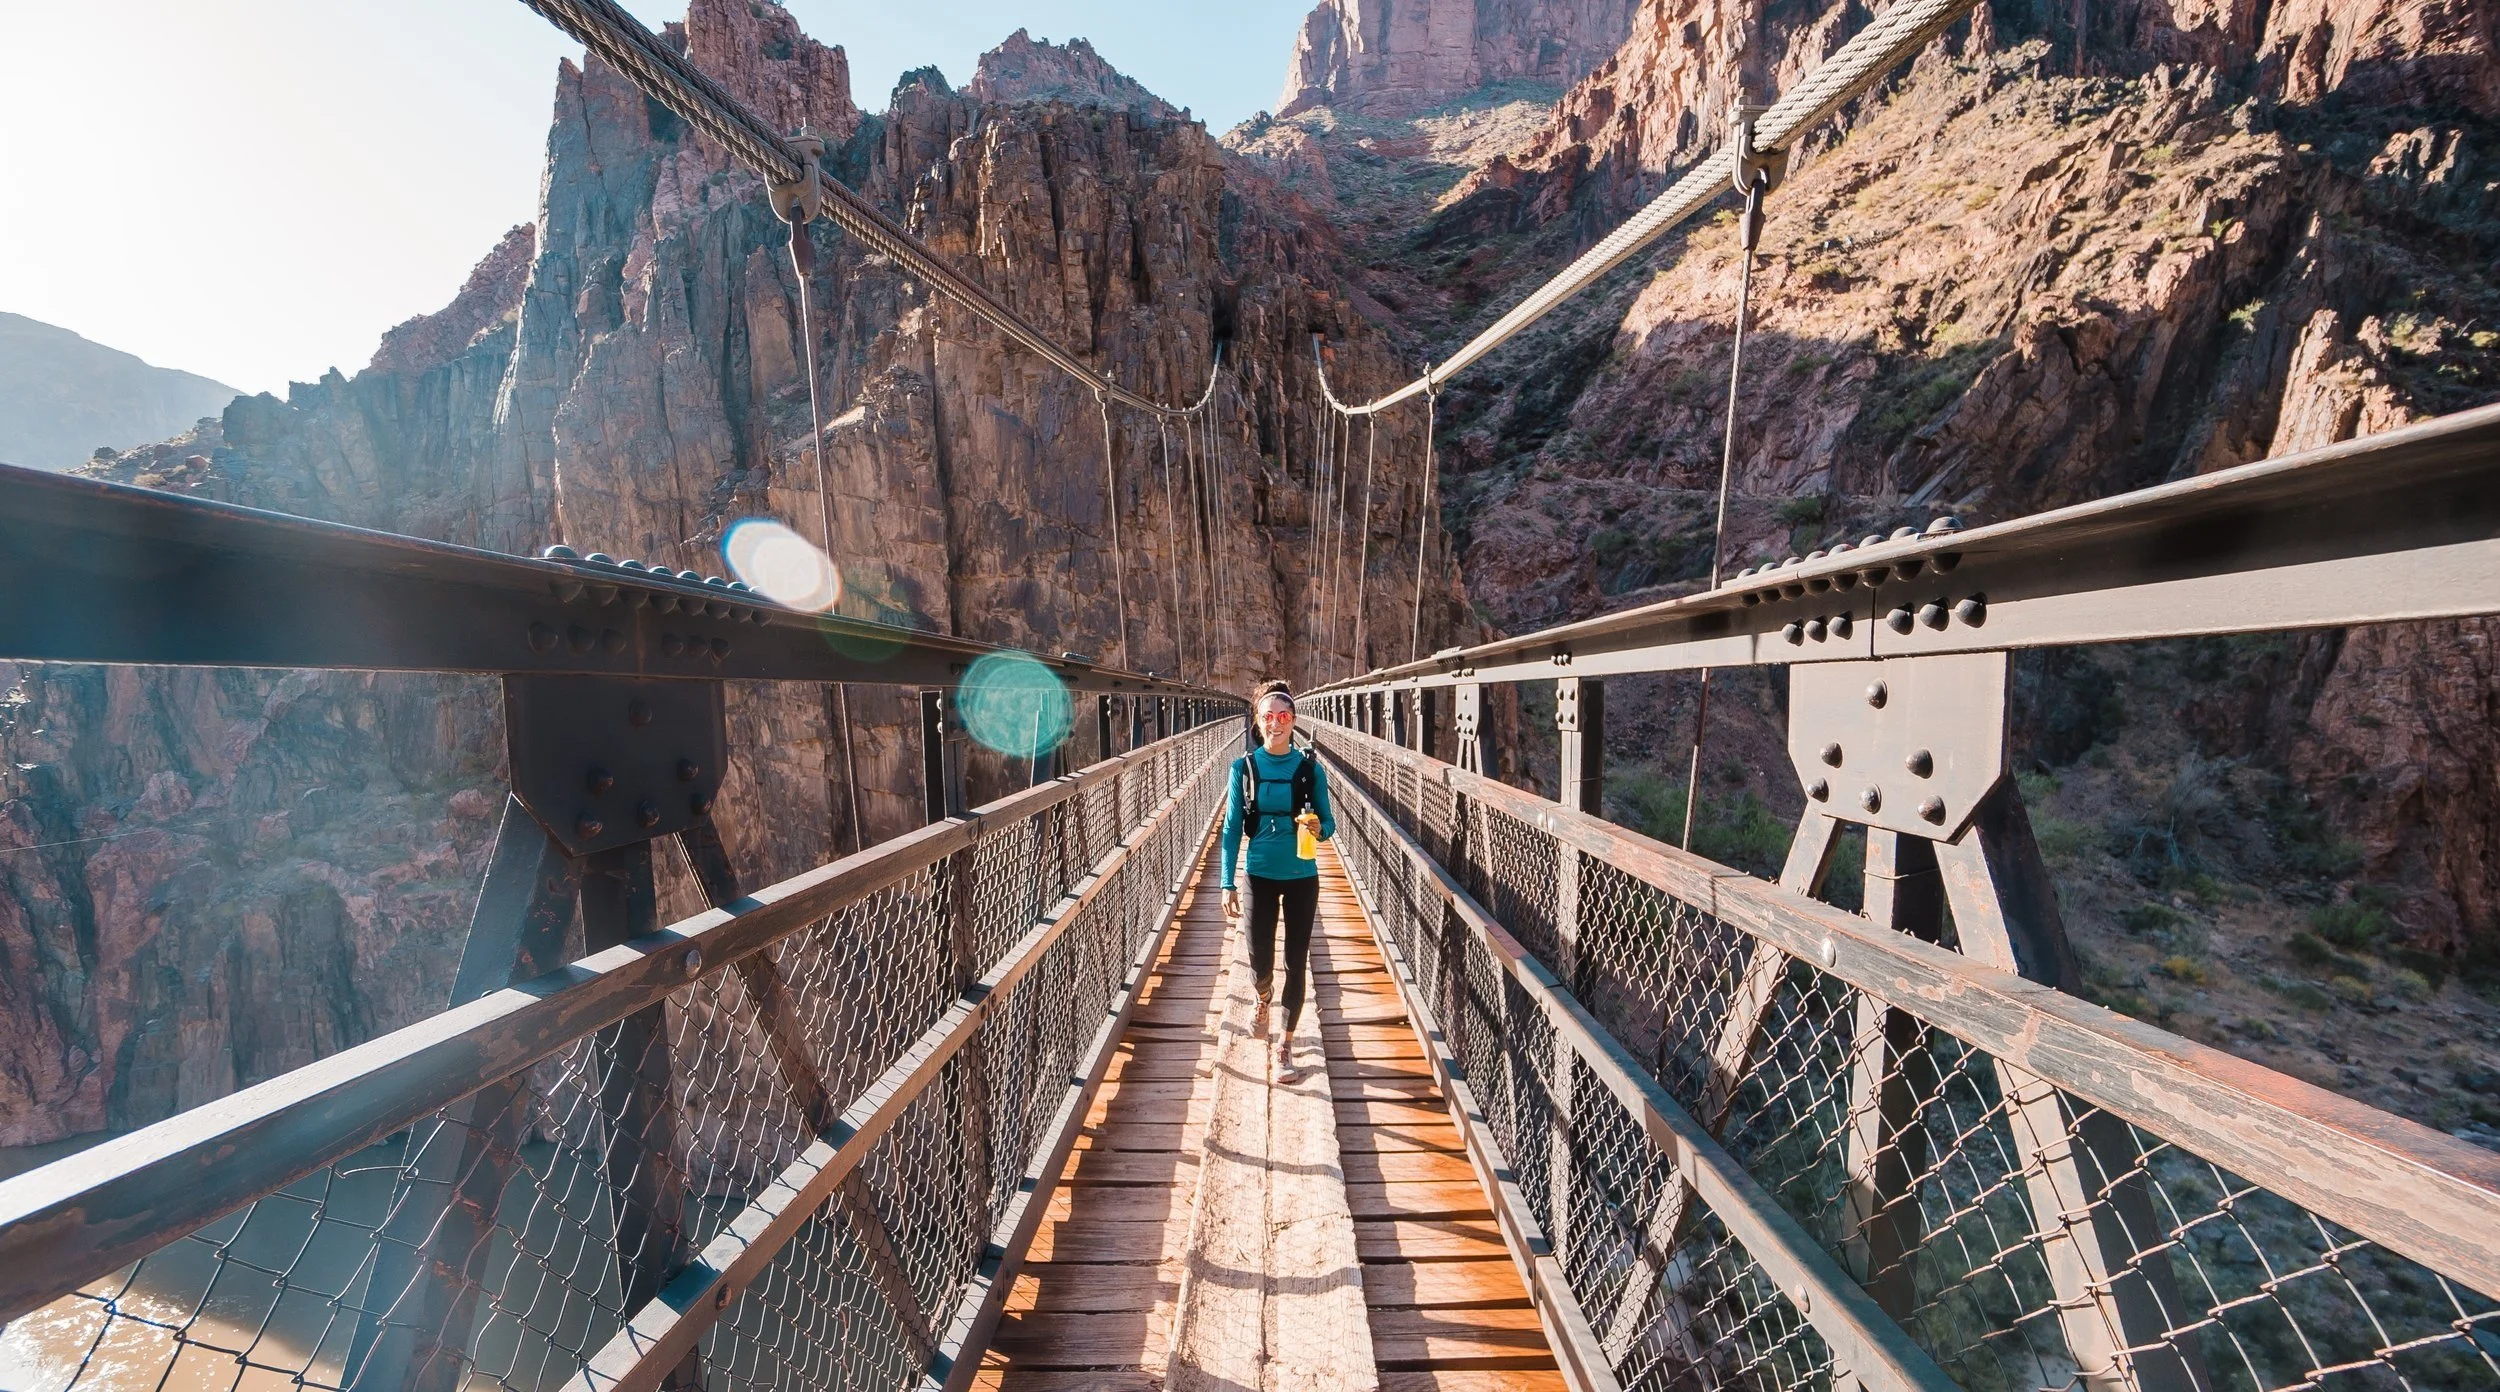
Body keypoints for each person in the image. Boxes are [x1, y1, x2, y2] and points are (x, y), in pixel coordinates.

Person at [1219, 680, 1336, 1075]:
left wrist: (1319, 827)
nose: (1276, 723)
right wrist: (1226, 881)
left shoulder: (1309, 770)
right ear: (1258, 721)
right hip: (1258, 873)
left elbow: (1330, 823)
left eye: (1283, 716)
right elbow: (1233, 827)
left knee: (1296, 961)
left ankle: (1284, 1048)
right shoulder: (1243, 769)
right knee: (1260, 959)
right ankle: (1263, 996)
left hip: (1302, 873)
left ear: (1294, 721)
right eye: (1268, 716)